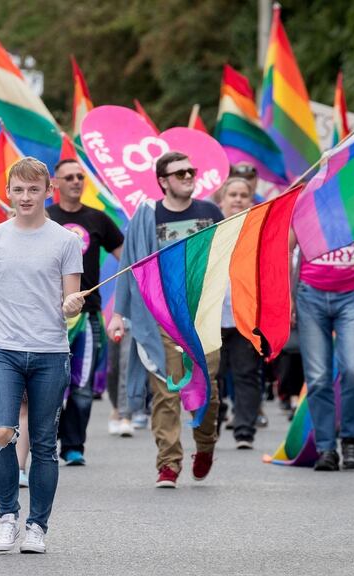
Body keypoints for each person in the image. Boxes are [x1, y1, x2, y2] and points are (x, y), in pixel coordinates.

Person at [0, 157, 84, 554]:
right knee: (1, 432)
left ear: (48, 192)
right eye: (19, 189)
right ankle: (7, 517)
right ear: (8, 193)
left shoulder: (66, 241)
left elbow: (71, 298)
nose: (26, 196)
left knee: (46, 444)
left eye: (34, 189)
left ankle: (37, 527)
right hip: (3, 351)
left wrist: (71, 307)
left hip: (50, 352)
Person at [112, 151, 225, 488]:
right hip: (161, 318)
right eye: (180, 173)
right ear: (163, 181)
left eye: (191, 171)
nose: (188, 176)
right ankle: (169, 464)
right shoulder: (147, 217)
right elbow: (129, 267)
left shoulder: (211, 212)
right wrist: (119, 313)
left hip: (202, 317)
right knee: (166, 390)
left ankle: (205, 445)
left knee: (207, 389)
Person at [290, 226, 354, 472]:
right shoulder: (306, 204)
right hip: (310, 296)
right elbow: (286, 249)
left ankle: (350, 440)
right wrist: (288, 298)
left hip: (350, 298)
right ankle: (326, 448)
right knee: (318, 377)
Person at [48, 158, 125, 466]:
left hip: (88, 313)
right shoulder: (44, 217)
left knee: (81, 385)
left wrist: (120, 306)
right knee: (49, 383)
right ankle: (44, 439)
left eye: (80, 176)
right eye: (69, 177)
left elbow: (128, 257)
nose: (76, 181)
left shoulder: (98, 219)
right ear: (55, 184)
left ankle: (73, 445)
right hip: (47, 315)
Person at [213, 177, 265, 449]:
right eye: (232, 194)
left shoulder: (258, 231)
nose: (237, 199)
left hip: (245, 315)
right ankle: (214, 422)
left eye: (243, 195)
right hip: (213, 316)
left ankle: (245, 429)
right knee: (215, 374)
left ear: (250, 199)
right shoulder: (209, 231)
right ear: (221, 200)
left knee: (247, 373)